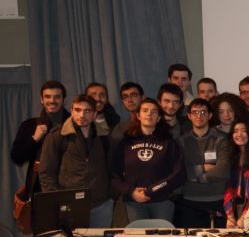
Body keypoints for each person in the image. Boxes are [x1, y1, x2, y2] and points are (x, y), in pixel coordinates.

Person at [38, 94, 113, 227]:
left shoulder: (104, 136)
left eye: (87, 111)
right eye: (78, 110)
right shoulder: (57, 136)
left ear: (95, 114)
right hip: (69, 204)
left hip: (101, 204)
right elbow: (46, 172)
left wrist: (112, 194)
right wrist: (56, 201)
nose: (82, 115)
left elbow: (111, 168)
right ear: (72, 111)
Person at [110, 98, 186, 222]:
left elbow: (179, 174)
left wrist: (152, 190)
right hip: (134, 202)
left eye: (154, 112)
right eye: (145, 111)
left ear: (159, 118)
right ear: (138, 116)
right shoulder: (125, 143)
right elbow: (114, 176)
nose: (149, 114)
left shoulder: (169, 143)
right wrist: (131, 192)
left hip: (162, 202)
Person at [175, 99, 232, 228]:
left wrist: (196, 176)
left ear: (210, 115)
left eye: (203, 112)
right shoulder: (181, 141)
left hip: (218, 200)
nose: (199, 116)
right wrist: (203, 167)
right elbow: (180, 172)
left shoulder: (222, 139)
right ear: (189, 116)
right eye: (195, 112)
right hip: (189, 201)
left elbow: (223, 170)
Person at [11, 81, 69, 194]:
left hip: (70, 187)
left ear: (64, 100)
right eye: (47, 97)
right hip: (39, 191)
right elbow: (17, 157)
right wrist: (34, 139)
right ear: (41, 100)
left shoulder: (75, 125)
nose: (52, 101)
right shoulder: (29, 125)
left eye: (57, 97)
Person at [223, 121, 249, 228]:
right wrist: (230, 216)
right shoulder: (230, 157)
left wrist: (244, 216)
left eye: (244, 131)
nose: (239, 134)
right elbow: (228, 188)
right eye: (235, 131)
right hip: (235, 207)